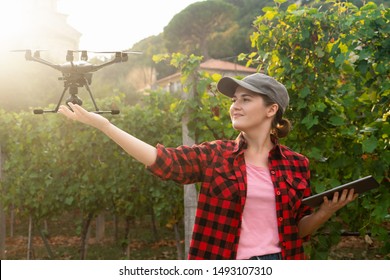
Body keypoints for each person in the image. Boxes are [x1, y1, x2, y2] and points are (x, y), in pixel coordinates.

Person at [58, 73, 357, 260]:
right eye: (234, 99)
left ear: (271, 109)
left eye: (246, 99)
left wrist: (325, 211)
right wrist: (105, 126)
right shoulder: (216, 155)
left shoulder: (297, 165)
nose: (235, 105)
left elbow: (296, 230)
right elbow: (162, 161)